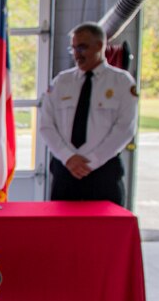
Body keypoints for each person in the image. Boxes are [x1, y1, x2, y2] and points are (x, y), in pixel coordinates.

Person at [39, 22, 138, 205]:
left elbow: (125, 129)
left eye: (82, 47)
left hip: (103, 172)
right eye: (73, 48)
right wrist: (69, 157)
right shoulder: (61, 82)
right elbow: (46, 125)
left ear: (100, 46)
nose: (77, 54)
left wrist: (90, 162)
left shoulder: (122, 82)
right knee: (62, 231)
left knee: (105, 232)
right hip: (65, 171)